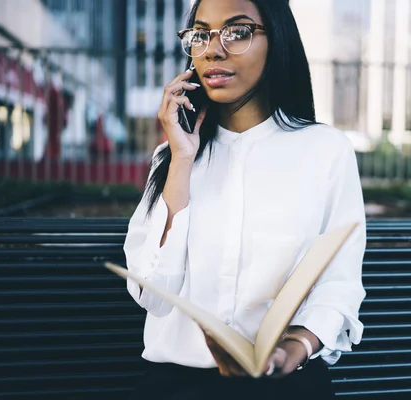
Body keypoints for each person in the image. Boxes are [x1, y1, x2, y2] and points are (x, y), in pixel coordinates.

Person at [123, 0, 366, 398]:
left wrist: (295, 347)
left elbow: (339, 281)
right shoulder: (173, 157)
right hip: (177, 384)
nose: (213, 50)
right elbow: (153, 293)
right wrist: (181, 160)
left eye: (237, 32)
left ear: (278, 41)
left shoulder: (325, 150)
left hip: (285, 379)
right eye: (201, 34)